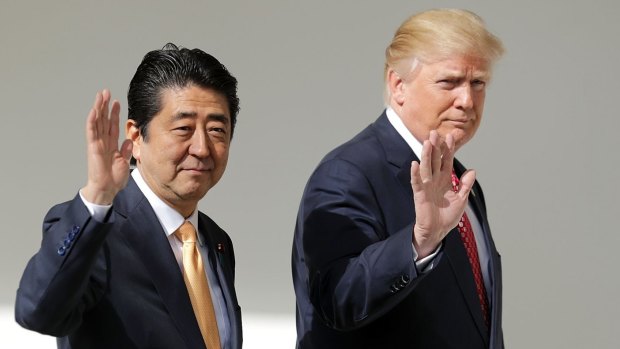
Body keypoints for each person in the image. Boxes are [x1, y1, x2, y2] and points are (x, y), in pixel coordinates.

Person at [292, 9, 505, 349]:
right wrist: (420, 243)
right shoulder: (347, 172)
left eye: (477, 83)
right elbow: (338, 300)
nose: (467, 100)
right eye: (449, 81)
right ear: (398, 85)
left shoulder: (462, 181)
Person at [15, 43, 242, 349]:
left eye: (216, 130)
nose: (202, 148)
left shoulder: (216, 241)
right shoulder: (97, 232)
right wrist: (98, 195)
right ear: (136, 137)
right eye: (184, 128)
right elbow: (37, 312)